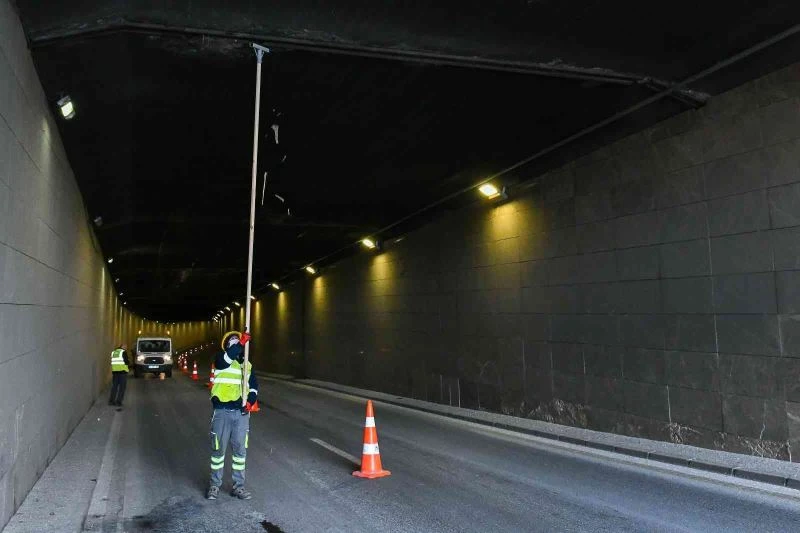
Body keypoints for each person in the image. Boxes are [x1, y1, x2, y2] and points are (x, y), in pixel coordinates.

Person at [206, 331, 259, 500]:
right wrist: (240, 344)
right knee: (218, 451)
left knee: (240, 452)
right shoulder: (221, 359)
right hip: (222, 412)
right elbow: (227, 359)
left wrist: (250, 400)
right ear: (227, 344)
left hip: (241, 413)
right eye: (234, 341)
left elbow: (253, 385)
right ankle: (214, 485)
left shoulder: (246, 365)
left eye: (239, 340)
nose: (237, 342)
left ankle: (239, 487)